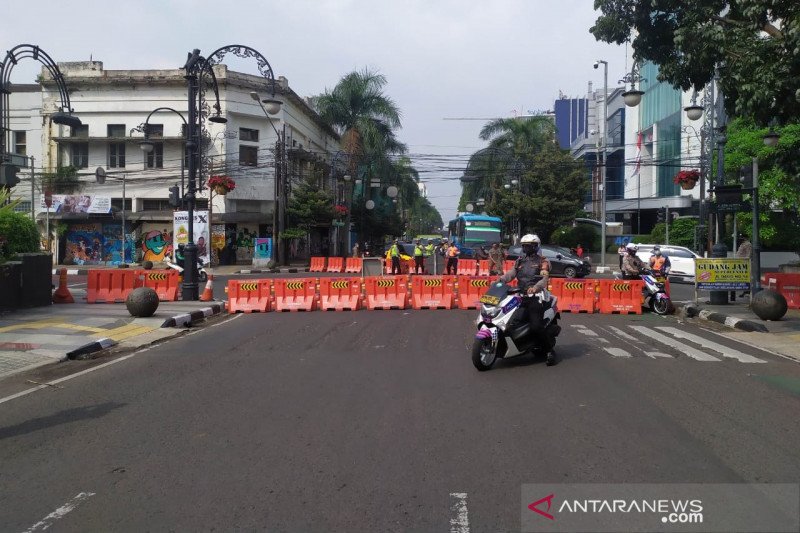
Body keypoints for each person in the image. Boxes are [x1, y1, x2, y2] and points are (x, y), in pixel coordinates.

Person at [499, 234, 556, 365]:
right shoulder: (519, 261)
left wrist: (535, 288)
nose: (526, 248)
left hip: (535, 297)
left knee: (536, 326)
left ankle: (549, 350)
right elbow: (511, 274)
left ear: (536, 246)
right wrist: (500, 280)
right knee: (509, 321)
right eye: (524, 245)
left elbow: (544, 278)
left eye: (529, 245)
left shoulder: (543, 261)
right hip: (519, 296)